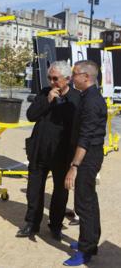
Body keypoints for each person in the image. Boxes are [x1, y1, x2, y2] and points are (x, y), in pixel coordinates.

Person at [16, 61, 80, 240]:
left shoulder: (76, 98)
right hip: (39, 151)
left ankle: (55, 225)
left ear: (67, 79)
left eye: (55, 79)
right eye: (49, 78)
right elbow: (31, 116)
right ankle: (31, 224)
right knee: (33, 190)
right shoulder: (45, 93)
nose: (52, 82)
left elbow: (77, 129)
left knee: (60, 192)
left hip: (61, 154)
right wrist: (48, 100)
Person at [63, 60, 107, 266]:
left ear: (86, 77)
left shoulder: (91, 101)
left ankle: (86, 249)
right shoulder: (87, 97)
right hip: (88, 155)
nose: (72, 78)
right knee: (88, 200)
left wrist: (74, 166)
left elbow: (86, 138)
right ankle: (89, 241)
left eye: (75, 74)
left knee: (84, 204)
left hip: (87, 158)